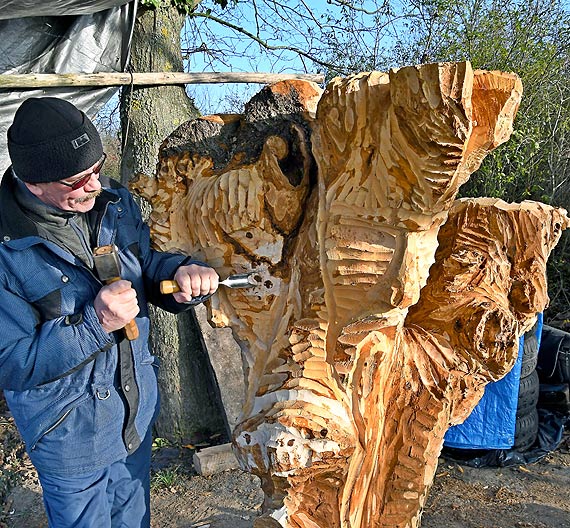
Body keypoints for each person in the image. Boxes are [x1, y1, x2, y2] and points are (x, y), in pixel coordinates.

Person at [0, 96, 219, 527]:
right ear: (34, 182)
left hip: (134, 416)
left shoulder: (115, 203)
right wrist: (96, 324)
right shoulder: (7, 249)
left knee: (134, 519)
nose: (96, 185)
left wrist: (181, 275)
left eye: (98, 168)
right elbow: (11, 363)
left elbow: (148, 265)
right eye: (80, 179)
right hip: (69, 439)